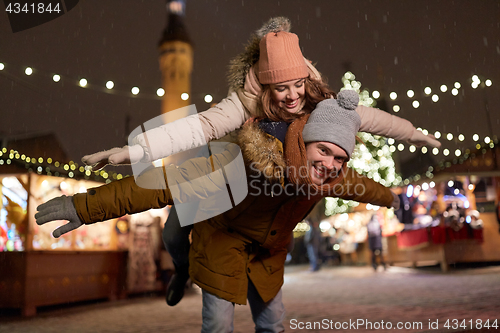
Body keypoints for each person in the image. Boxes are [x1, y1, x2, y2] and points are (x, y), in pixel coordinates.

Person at [80, 17, 440, 305]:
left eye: (297, 84)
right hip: (221, 168)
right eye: (281, 88)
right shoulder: (244, 101)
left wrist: (414, 134)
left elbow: (373, 118)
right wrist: (137, 150)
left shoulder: (319, 101)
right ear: (266, 84)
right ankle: (181, 268)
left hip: (255, 195)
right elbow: (200, 126)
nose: (292, 96)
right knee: (174, 232)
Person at [36, 94, 400, 332]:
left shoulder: (330, 176)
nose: (332, 164)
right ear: (303, 144)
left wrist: (393, 199)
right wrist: (84, 206)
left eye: (340, 158)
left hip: (267, 251)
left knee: (272, 323)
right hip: (219, 232)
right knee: (212, 311)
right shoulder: (244, 161)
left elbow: (365, 185)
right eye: (324, 150)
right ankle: (182, 271)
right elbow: (163, 183)